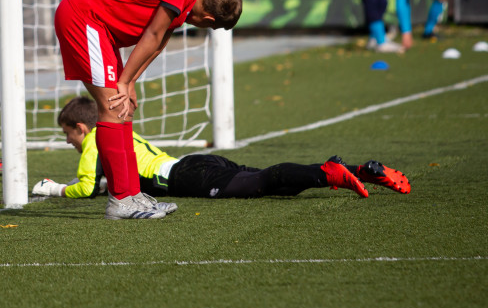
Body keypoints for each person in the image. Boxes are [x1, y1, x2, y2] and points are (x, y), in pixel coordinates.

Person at [54, 0, 242, 219]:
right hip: (83, 17)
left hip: (100, 27)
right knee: (112, 106)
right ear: (209, 20)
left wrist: (130, 81)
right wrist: (123, 82)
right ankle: (120, 200)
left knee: (125, 108)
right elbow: (153, 33)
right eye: (211, 27)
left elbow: (159, 41)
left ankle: (132, 195)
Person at [32, 97, 410, 200]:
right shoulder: (116, 133)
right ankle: (360, 171)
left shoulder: (95, 141)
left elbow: (86, 187)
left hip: (188, 176)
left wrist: (54, 188)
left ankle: (328, 172)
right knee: (271, 185)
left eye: (68, 134)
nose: (68, 141)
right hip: (195, 162)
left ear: (82, 128)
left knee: (263, 182)